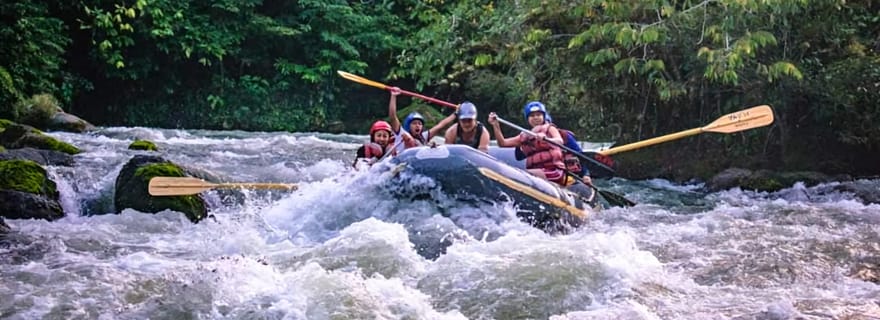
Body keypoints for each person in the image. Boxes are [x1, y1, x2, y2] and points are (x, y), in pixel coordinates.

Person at [488, 101, 569, 185]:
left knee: (523, 175)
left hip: (553, 171)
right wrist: (495, 125)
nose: (535, 118)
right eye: (532, 116)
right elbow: (503, 143)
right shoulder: (524, 135)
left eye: (538, 115)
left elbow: (560, 141)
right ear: (528, 119)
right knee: (522, 175)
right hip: (537, 171)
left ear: (543, 116)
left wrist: (546, 139)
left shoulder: (550, 128)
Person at [387, 87, 458, 154]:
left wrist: (456, 113)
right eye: (414, 123)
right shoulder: (401, 134)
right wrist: (393, 96)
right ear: (408, 125)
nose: (417, 125)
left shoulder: (423, 137)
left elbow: (440, 126)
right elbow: (393, 117)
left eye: (420, 124)